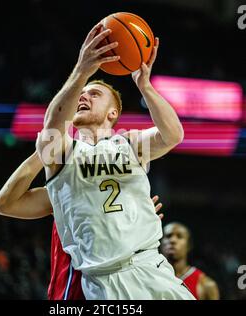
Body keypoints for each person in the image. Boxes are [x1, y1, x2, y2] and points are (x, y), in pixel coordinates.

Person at [35, 22, 195, 300]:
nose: (84, 96)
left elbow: (173, 134)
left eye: (94, 94)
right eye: (81, 95)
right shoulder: (63, 153)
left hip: (151, 268)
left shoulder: (128, 143)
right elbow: (53, 123)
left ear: (113, 113)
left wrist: (145, 86)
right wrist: (83, 70)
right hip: (104, 282)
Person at [0, 152, 164, 300]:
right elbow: (4, 204)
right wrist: (44, 149)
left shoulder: (127, 200)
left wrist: (142, 225)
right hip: (74, 294)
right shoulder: (65, 191)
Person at [161, 222, 220, 300]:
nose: (172, 240)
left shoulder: (206, 285)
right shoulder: (148, 276)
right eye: (168, 236)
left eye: (179, 236)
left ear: (188, 245)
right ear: (160, 243)